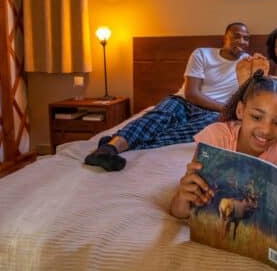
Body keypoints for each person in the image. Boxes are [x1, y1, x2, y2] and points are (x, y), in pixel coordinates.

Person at [85, 22, 253, 172]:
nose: (241, 41)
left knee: (181, 134)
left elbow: (253, 96)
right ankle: (108, 150)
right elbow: (192, 94)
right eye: (236, 36)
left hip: (212, 113)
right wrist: (224, 109)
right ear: (225, 38)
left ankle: (116, 143)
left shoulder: (249, 65)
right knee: (157, 118)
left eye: (246, 39)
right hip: (184, 102)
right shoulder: (202, 54)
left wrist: (255, 72)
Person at [170, 70, 277, 219]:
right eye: (256, 117)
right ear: (240, 111)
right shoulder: (215, 138)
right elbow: (179, 211)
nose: (266, 130)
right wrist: (183, 196)